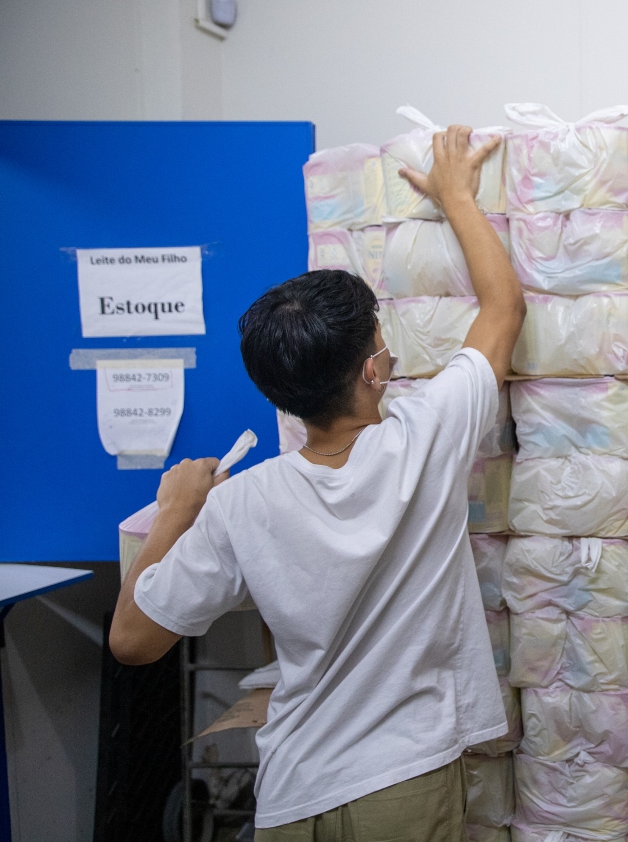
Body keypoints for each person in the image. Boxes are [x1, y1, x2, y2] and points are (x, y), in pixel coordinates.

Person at [109, 126, 525, 841]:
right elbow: (503, 309)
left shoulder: (241, 503)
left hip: (293, 792)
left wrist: (175, 510)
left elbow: (132, 640)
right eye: (380, 341)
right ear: (373, 370)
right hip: (405, 783)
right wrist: (456, 195)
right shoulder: (425, 437)